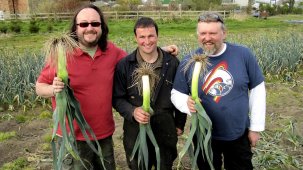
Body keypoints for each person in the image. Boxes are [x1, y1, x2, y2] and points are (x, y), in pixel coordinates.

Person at [35, 4, 179, 170]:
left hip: (104, 136)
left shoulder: (112, 51)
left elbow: (136, 58)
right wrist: (53, 89)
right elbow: (39, 87)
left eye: (95, 24)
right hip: (73, 138)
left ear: (102, 27)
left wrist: (162, 51)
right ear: (75, 28)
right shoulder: (62, 53)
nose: (90, 28)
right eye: (84, 24)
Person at [171, 12, 266, 170]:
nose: (207, 38)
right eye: (203, 33)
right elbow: (176, 94)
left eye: (213, 33)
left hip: (237, 132)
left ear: (224, 33)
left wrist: (255, 128)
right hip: (203, 134)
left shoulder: (242, 54)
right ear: (198, 35)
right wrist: (186, 104)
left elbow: (258, 91)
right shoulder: (190, 60)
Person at [112, 17, 187, 170]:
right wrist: (133, 111)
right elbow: (118, 98)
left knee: (165, 165)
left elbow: (181, 93)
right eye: (142, 37)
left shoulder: (172, 63)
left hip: (165, 129)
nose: (147, 41)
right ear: (136, 38)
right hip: (135, 131)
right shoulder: (125, 65)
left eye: (151, 36)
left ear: (157, 36)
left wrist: (179, 123)